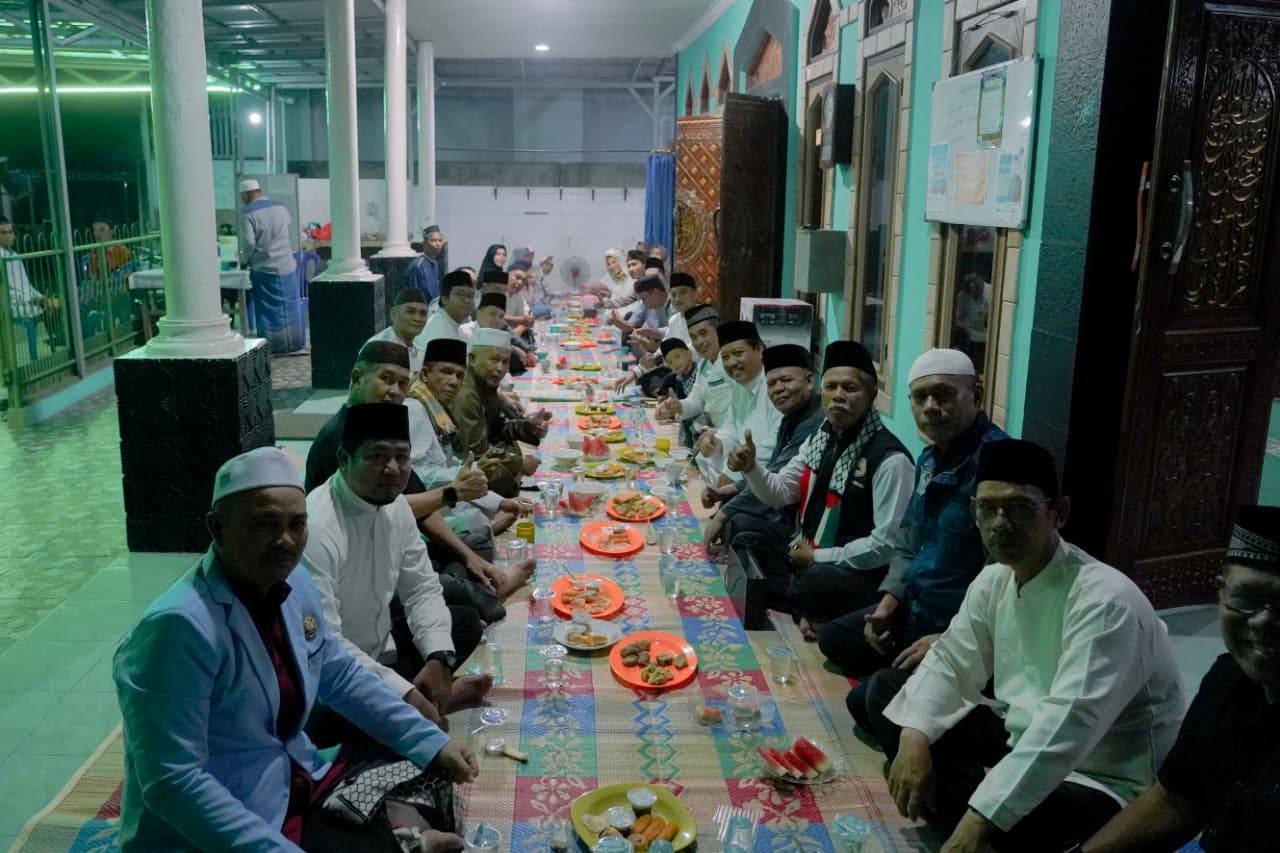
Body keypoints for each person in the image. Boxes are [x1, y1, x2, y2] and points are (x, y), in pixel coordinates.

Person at [114, 446, 477, 852]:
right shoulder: (178, 628)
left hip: (291, 778)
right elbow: (173, 781)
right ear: (217, 527)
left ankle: (398, 838)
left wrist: (430, 742)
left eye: (297, 524)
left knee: (427, 774)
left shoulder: (292, 584)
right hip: (217, 825)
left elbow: (339, 674)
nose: (285, 540)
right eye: (264, 524)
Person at [871, 439, 1184, 852]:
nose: (1000, 523)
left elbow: (1070, 720)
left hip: (1101, 774)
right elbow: (951, 661)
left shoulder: (1106, 600)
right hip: (1019, 732)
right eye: (987, 508)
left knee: (1006, 820)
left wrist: (980, 818)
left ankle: (971, 809)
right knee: (886, 693)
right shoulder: (994, 579)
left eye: (1019, 507)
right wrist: (914, 738)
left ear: (1059, 513)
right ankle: (970, 802)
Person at [1080, 504, 1280, 853]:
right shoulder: (1229, 680)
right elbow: (1177, 799)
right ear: (1220, 591)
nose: (1263, 621)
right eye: (1247, 598)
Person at [824, 348, 1008, 728]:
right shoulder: (929, 459)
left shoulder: (998, 467)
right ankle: (903, 672)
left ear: (976, 394)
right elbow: (907, 543)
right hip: (914, 610)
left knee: (867, 702)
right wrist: (888, 603)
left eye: (943, 395)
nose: (930, 407)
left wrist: (951, 638)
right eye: (920, 397)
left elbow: (1003, 580)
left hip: (958, 629)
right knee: (834, 638)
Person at [303, 403, 493, 730]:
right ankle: (428, 702)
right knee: (326, 716)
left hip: (380, 645)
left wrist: (438, 657)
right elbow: (326, 646)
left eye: (402, 457)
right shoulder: (317, 527)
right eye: (377, 456)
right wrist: (405, 693)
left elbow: (421, 588)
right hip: (331, 670)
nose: (392, 468)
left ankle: (423, 699)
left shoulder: (395, 505)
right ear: (344, 459)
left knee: (463, 624)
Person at [723, 341, 914, 634]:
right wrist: (751, 468)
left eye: (850, 388)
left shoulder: (890, 459)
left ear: (871, 394)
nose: (838, 396)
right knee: (746, 538)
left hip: (850, 568)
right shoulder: (822, 438)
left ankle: (810, 607)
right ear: (822, 390)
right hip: (806, 549)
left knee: (814, 582)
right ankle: (809, 609)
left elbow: (886, 546)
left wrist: (817, 558)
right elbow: (781, 492)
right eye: (831, 387)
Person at [303, 341, 504, 613]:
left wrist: (469, 557)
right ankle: (485, 593)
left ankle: (469, 589)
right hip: (359, 564)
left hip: (396, 544)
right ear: (357, 377)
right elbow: (381, 511)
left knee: (472, 547)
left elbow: (420, 506)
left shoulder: (387, 425)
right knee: (460, 607)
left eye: (402, 383)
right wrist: (453, 493)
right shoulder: (339, 441)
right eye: (386, 379)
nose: (395, 391)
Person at [406, 337, 535, 560]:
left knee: (493, 507)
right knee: (476, 521)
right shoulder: (414, 409)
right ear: (425, 374)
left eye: (459, 375)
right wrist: (474, 472)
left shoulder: (436, 405)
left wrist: (500, 502)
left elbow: (452, 463)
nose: (453, 381)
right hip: (425, 508)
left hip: (448, 492)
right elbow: (420, 476)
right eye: (446, 372)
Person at [449, 328, 551, 497]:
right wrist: (519, 464)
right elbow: (477, 452)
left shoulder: (485, 383)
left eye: (505, 362)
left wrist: (528, 427)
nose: (499, 368)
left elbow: (498, 427)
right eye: (494, 360)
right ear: (472, 360)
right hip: (461, 474)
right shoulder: (466, 395)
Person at [686, 320, 782, 498]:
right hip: (740, 469)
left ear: (759, 350)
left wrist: (732, 474)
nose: (731, 362)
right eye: (725, 357)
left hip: (769, 482)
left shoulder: (776, 388)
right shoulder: (740, 385)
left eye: (738, 354)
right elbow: (732, 425)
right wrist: (718, 441)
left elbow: (774, 446)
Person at [238, 178, 303, 353]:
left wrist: (244, 260)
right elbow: (288, 231)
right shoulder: (281, 207)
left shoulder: (247, 213)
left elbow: (249, 243)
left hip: (265, 269)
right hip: (287, 267)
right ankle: (294, 344)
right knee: (290, 307)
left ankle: (271, 347)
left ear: (245, 195)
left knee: (268, 311)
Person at [657, 305, 733, 446]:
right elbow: (697, 400)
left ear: (718, 331)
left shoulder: (732, 363)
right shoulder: (704, 364)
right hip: (715, 435)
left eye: (703, 333)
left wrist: (722, 434)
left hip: (730, 437)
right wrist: (678, 406)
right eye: (693, 337)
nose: (698, 341)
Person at [1, 217, 48, 361]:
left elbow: (25, 284)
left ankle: (58, 340)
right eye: (3, 233)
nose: (9, 235)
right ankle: (34, 358)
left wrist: (39, 296)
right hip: (10, 305)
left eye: (10, 232)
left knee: (55, 306)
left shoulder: (14, 256)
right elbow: (5, 291)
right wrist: (30, 300)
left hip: (26, 301)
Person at [366, 287, 429, 374]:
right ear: (393, 314)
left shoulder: (420, 348)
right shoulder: (378, 348)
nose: (417, 319)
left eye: (423, 313)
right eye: (410, 312)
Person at [417, 269, 475, 346]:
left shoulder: (464, 322)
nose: (467, 300)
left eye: (470, 296)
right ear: (445, 299)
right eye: (461, 295)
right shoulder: (437, 329)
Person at [406, 225, 447, 301]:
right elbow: (415, 296)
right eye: (433, 240)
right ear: (424, 243)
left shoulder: (435, 264)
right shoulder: (417, 266)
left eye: (440, 240)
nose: (438, 244)